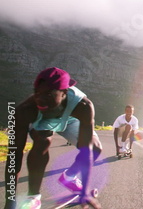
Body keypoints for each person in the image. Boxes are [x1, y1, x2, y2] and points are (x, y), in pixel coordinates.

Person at [4, 67, 102, 209]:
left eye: (48, 94)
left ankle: (69, 177)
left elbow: (87, 149)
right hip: (42, 121)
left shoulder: (84, 106)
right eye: (36, 93)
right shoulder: (25, 110)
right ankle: (33, 196)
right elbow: (14, 155)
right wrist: (10, 202)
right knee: (42, 142)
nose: (40, 99)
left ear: (64, 93)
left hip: (70, 119)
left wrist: (85, 192)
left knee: (95, 148)